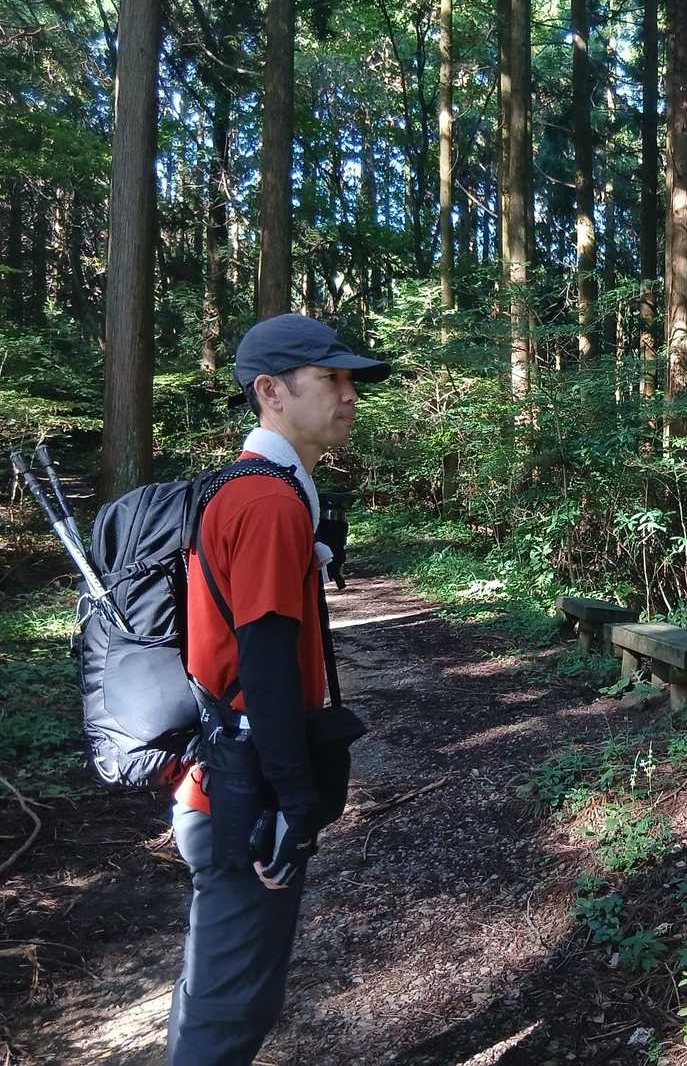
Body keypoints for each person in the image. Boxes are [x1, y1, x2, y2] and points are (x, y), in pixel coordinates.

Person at [167, 313, 389, 1065]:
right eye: (330, 378)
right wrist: (293, 800)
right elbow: (264, 662)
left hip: (225, 775)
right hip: (246, 791)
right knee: (232, 1009)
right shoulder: (267, 504)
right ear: (270, 391)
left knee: (217, 990)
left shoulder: (253, 489)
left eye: (350, 380)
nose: (349, 394)